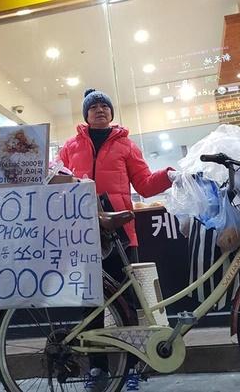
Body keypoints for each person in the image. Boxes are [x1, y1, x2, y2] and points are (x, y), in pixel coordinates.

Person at [59, 88, 175, 392]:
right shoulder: (70, 147)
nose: (99, 109)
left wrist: (170, 175)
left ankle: (132, 367)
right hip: (82, 232)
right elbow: (57, 182)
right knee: (91, 303)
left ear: (111, 112)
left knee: (128, 303)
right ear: (86, 114)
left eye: (104, 106)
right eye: (93, 106)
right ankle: (98, 369)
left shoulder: (126, 145)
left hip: (121, 234)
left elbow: (145, 184)